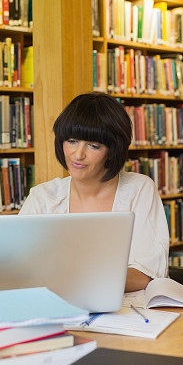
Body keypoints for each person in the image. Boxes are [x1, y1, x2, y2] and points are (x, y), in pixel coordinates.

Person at [19, 92, 169, 291]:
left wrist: (77, 281)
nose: (78, 154)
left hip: (126, 315)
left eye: (93, 145)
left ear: (112, 150)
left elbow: (146, 276)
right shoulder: (43, 197)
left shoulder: (139, 190)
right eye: (72, 141)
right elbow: (17, 267)